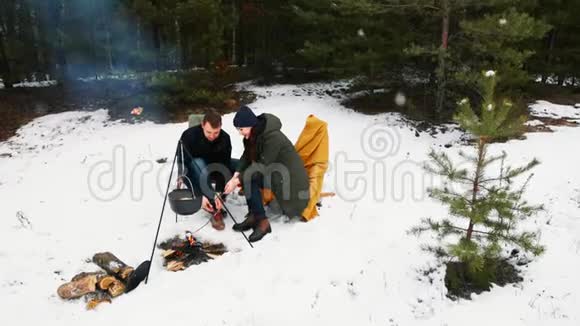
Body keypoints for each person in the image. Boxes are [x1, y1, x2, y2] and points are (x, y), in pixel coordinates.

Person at [224, 106, 310, 242]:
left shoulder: (272, 137)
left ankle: (263, 223)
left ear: (250, 124)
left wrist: (237, 180)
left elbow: (262, 165)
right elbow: (246, 157)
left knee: (250, 176)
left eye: (241, 129)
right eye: (238, 130)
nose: (240, 133)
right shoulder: (251, 136)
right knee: (246, 174)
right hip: (273, 172)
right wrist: (236, 174)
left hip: (288, 179)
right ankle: (254, 215)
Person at [177, 109, 238, 230]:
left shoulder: (225, 138)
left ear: (220, 127)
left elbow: (224, 166)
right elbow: (183, 162)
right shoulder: (189, 136)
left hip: (216, 168)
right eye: (208, 132)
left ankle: (221, 198)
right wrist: (199, 194)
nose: (212, 136)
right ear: (202, 125)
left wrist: (219, 191)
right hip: (196, 170)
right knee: (198, 162)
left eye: (216, 132)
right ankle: (214, 208)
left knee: (241, 165)